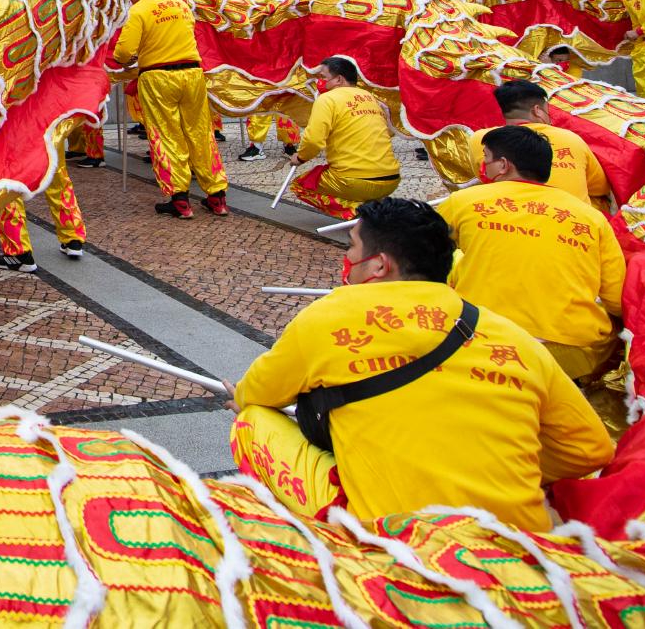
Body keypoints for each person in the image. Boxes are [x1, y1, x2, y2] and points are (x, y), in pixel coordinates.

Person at [229, 197, 614, 529]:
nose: (346, 259)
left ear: (378, 266)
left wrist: (243, 397)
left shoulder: (330, 315)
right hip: (515, 537)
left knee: (252, 421)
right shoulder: (510, 335)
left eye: (351, 248)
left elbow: (257, 393)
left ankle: (331, 543)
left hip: (397, 539)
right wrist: (488, 474)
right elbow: (590, 448)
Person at [440, 126, 625, 381]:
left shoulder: (463, 202)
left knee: (453, 258)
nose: (484, 166)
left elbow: (419, 252)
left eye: (487, 158)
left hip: (484, 342)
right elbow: (616, 297)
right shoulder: (591, 217)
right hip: (573, 352)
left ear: (503, 165)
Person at [108, 0, 225, 218]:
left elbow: (122, 53)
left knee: (165, 135)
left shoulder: (139, 11)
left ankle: (180, 200)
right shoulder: (180, 4)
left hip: (158, 76)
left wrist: (134, 55)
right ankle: (217, 196)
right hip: (193, 73)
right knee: (201, 133)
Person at [469, 79, 613, 212]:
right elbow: (601, 187)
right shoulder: (570, 139)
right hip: (568, 219)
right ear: (537, 110)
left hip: (511, 212)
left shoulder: (479, 139)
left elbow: (484, 177)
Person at [289, 57, 400, 219]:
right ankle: (373, 208)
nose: (321, 81)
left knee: (301, 185)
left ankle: (358, 212)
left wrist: (299, 158)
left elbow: (313, 140)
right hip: (391, 179)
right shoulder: (370, 98)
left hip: (353, 181)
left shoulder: (328, 99)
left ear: (339, 79)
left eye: (323, 77)